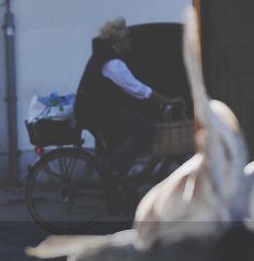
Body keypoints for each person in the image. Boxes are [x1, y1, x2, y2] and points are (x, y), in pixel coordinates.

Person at [74, 17, 182, 177]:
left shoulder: (106, 55)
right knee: (146, 129)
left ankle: (118, 180)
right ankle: (115, 167)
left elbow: (128, 90)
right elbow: (138, 90)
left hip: (95, 110)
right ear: (118, 40)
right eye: (127, 38)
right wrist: (169, 101)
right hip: (96, 113)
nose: (130, 41)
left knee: (130, 126)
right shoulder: (112, 62)